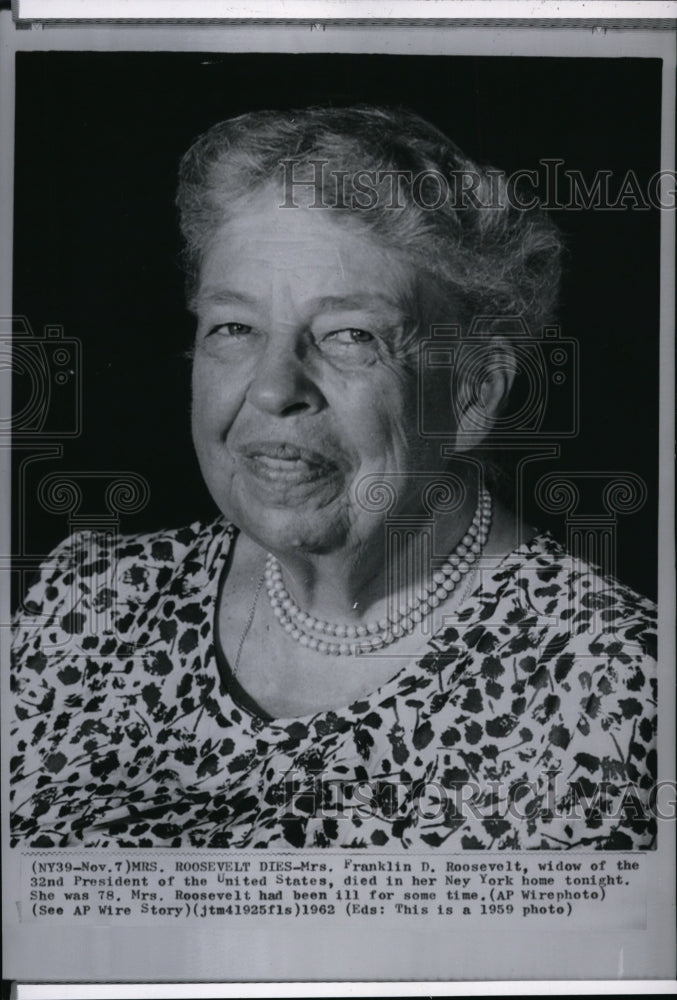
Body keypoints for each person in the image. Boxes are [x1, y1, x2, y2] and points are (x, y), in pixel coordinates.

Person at [11, 106, 656, 850]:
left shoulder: (612, 695)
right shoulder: (85, 606)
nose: (272, 387)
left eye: (350, 335)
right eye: (234, 328)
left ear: (473, 391)